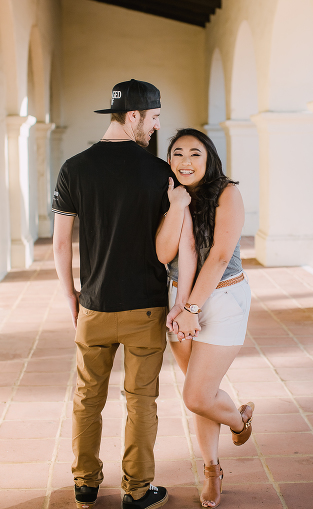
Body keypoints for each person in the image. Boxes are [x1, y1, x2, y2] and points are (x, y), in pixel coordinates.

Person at [52, 79, 190, 509]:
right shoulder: (159, 172)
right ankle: (137, 489)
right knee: (141, 403)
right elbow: (169, 245)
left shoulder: (74, 168)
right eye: (153, 118)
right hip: (146, 307)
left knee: (87, 398)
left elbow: (60, 243)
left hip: (94, 304)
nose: (156, 126)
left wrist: (72, 297)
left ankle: (86, 484)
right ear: (133, 116)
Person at [158, 128, 254, 508]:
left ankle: (238, 421)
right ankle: (212, 470)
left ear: (209, 158)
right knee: (202, 395)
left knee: (196, 394)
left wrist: (191, 310)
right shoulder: (172, 196)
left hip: (223, 298)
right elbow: (164, 254)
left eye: (195, 153)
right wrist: (175, 207)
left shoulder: (228, 193)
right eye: (177, 153)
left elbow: (217, 256)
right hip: (179, 298)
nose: (185, 161)